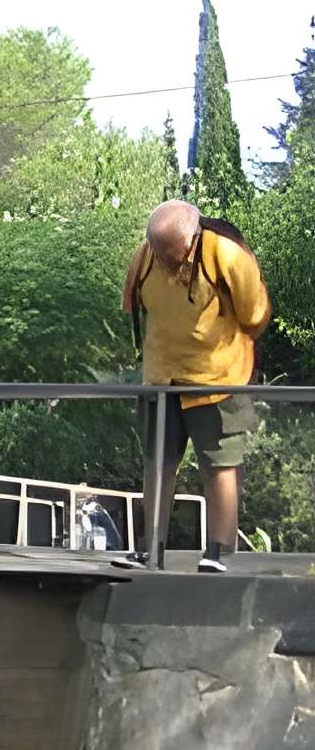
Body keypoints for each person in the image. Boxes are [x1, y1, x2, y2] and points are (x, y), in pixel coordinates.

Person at [122, 197, 270, 570]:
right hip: (161, 380)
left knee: (220, 465)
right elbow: (135, 308)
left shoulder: (226, 254)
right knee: (158, 463)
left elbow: (255, 312)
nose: (165, 258)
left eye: (171, 251)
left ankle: (219, 553)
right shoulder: (144, 257)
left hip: (216, 381)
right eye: (158, 248)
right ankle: (150, 551)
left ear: (192, 238)